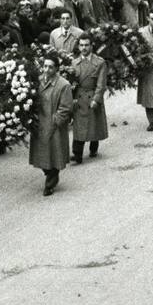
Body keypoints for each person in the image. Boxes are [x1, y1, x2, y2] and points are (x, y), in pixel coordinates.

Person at [29, 57, 72, 196]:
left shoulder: (63, 85)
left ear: (56, 68)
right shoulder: (38, 81)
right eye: (45, 66)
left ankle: (50, 183)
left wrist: (56, 121)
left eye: (50, 67)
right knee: (41, 155)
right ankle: (49, 173)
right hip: (39, 123)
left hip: (54, 126)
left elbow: (65, 107)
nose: (46, 70)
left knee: (54, 155)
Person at [69, 36, 108, 163]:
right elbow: (71, 82)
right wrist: (72, 97)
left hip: (92, 95)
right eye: (81, 45)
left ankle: (93, 147)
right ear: (78, 46)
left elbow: (101, 84)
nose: (84, 48)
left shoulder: (99, 62)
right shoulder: (74, 63)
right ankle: (77, 154)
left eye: (86, 45)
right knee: (79, 126)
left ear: (91, 46)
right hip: (79, 98)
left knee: (93, 124)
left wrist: (96, 99)